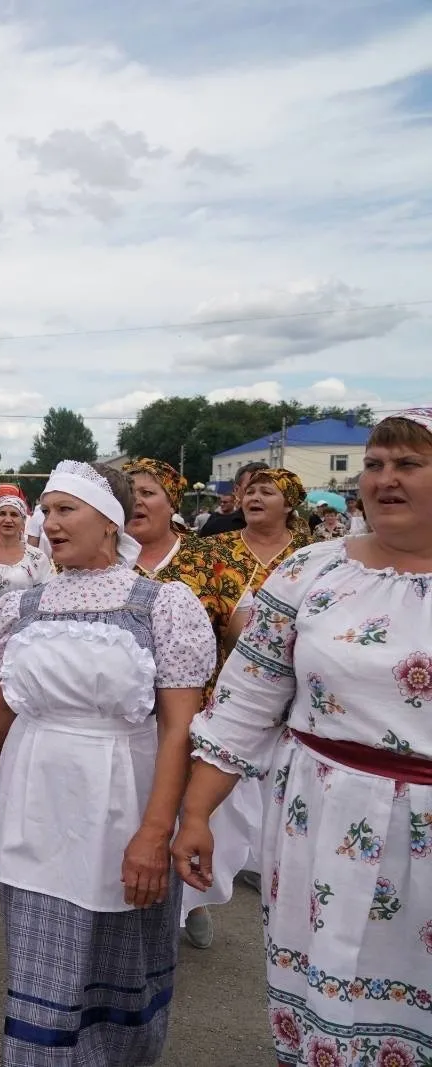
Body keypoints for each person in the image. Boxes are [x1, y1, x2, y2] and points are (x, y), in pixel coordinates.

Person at [171, 408, 432, 1067]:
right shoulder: (310, 575)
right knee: (335, 1010)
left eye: (408, 464)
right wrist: (196, 812)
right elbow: (244, 702)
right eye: (374, 464)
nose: (384, 478)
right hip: (327, 827)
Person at [0, 461, 216, 1066]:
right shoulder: (25, 606)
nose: (48, 523)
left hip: (121, 800)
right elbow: (4, 702)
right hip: (34, 796)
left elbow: (180, 727)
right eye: (45, 511)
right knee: (38, 946)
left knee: (117, 944)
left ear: (109, 521)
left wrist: (157, 832)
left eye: (63, 509)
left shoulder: (161, 605)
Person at [124, 458, 254, 951]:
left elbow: (243, 629)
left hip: (198, 711)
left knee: (191, 811)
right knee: (136, 806)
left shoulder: (211, 561)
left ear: (171, 501)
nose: (138, 501)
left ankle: (191, 901)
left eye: (149, 492)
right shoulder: (105, 559)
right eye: (128, 492)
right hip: (126, 714)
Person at [0, 484, 51, 727]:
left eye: (14, 515)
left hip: (20, 637)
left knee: (14, 699)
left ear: (23, 520)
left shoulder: (37, 558)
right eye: (2, 514)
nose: (8, 519)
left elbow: (45, 599)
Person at [210, 466, 312, 593]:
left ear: (288, 505)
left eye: (266, 492)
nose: (254, 498)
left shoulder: (311, 550)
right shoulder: (214, 548)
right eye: (250, 492)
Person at [199, 461, 266, 537]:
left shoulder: (281, 530)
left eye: (267, 491)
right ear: (236, 490)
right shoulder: (215, 529)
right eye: (250, 490)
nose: (257, 497)